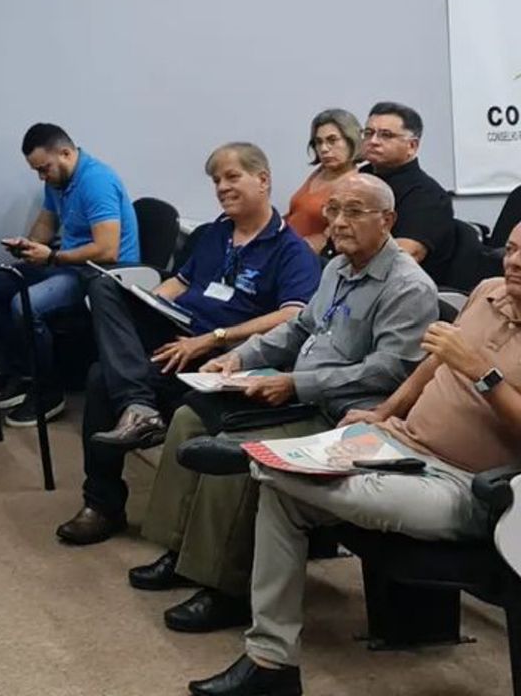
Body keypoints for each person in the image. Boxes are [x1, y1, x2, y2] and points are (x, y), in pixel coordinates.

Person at [188, 223, 521, 696]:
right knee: (286, 498)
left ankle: (260, 459)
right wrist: (383, 413)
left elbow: (469, 367)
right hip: (399, 443)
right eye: (510, 249)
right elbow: (434, 363)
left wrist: (482, 373)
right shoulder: (488, 292)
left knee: (290, 482)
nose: (514, 262)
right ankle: (271, 662)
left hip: (468, 486)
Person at [131, 172, 436, 633]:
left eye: (354, 211)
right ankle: (181, 552)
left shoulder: (408, 286)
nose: (338, 222)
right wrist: (239, 357)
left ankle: (226, 588)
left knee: (233, 447)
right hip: (298, 389)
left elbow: (388, 370)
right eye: (333, 210)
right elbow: (298, 328)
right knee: (190, 417)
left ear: (388, 220)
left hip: (343, 414)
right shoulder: (337, 268)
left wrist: (298, 383)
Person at [55, 143, 320, 546]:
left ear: (263, 180)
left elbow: (291, 315)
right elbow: (179, 284)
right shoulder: (214, 234)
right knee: (104, 286)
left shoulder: (291, 250)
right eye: (217, 180)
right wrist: (148, 304)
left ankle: (104, 502)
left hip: (222, 355)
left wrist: (211, 339)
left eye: (232, 177)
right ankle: (139, 406)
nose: (222, 187)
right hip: (176, 333)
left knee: (99, 378)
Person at [0, 122, 139, 426]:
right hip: (69, 266)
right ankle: (23, 375)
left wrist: (52, 256)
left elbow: (108, 250)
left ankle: (48, 392)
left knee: (25, 305)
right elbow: (46, 223)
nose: (42, 176)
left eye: (44, 169)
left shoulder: (97, 182)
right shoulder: (58, 182)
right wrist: (28, 245)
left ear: (65, 153)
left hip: (102, 275)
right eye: (37, 171)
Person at [355, 100, 456, 285]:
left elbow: (403, 258)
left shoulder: (428, 196)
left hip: (398, 289)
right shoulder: (359, 179)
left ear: (412, 146)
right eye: (368, 133)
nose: (373, 141)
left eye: (386, 135)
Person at [282, 109, 360, 254]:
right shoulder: (320, 171)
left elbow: (335, 234)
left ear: (351, 141)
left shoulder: (355, 182)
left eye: (332, 140)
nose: (324, 149)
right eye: (319, 142)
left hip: (309, 257)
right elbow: (297, 214)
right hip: (285, 246)